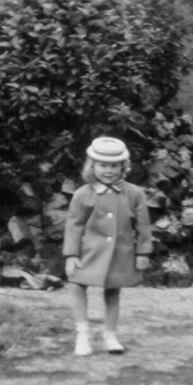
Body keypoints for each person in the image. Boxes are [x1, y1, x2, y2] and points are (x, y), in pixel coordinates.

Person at [63, 136, 153, 356]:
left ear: (123, 167)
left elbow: (143, 226)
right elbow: (74, 226)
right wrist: (72, 254)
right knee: (77, 285)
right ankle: (82, 333)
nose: (108, 171)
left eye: (114, 165)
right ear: (92, 165)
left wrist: (143, 251)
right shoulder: (83, 194)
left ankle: (110, 334)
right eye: (103, 165)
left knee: (113, 292)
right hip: (89, 251)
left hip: (119, 252)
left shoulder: (134, 194)